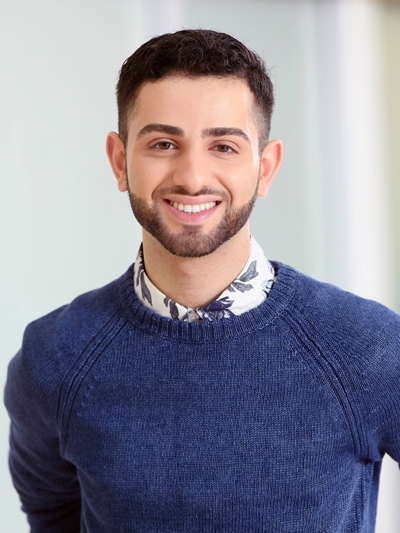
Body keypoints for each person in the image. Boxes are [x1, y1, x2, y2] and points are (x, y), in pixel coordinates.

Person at [4, 29, 400, 533]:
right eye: (164, 143)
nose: (192, 177)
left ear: (266, 166)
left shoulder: (367, 348)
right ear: (120, 160)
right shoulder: (53, 359)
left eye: (224, 147)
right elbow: (52, 517)